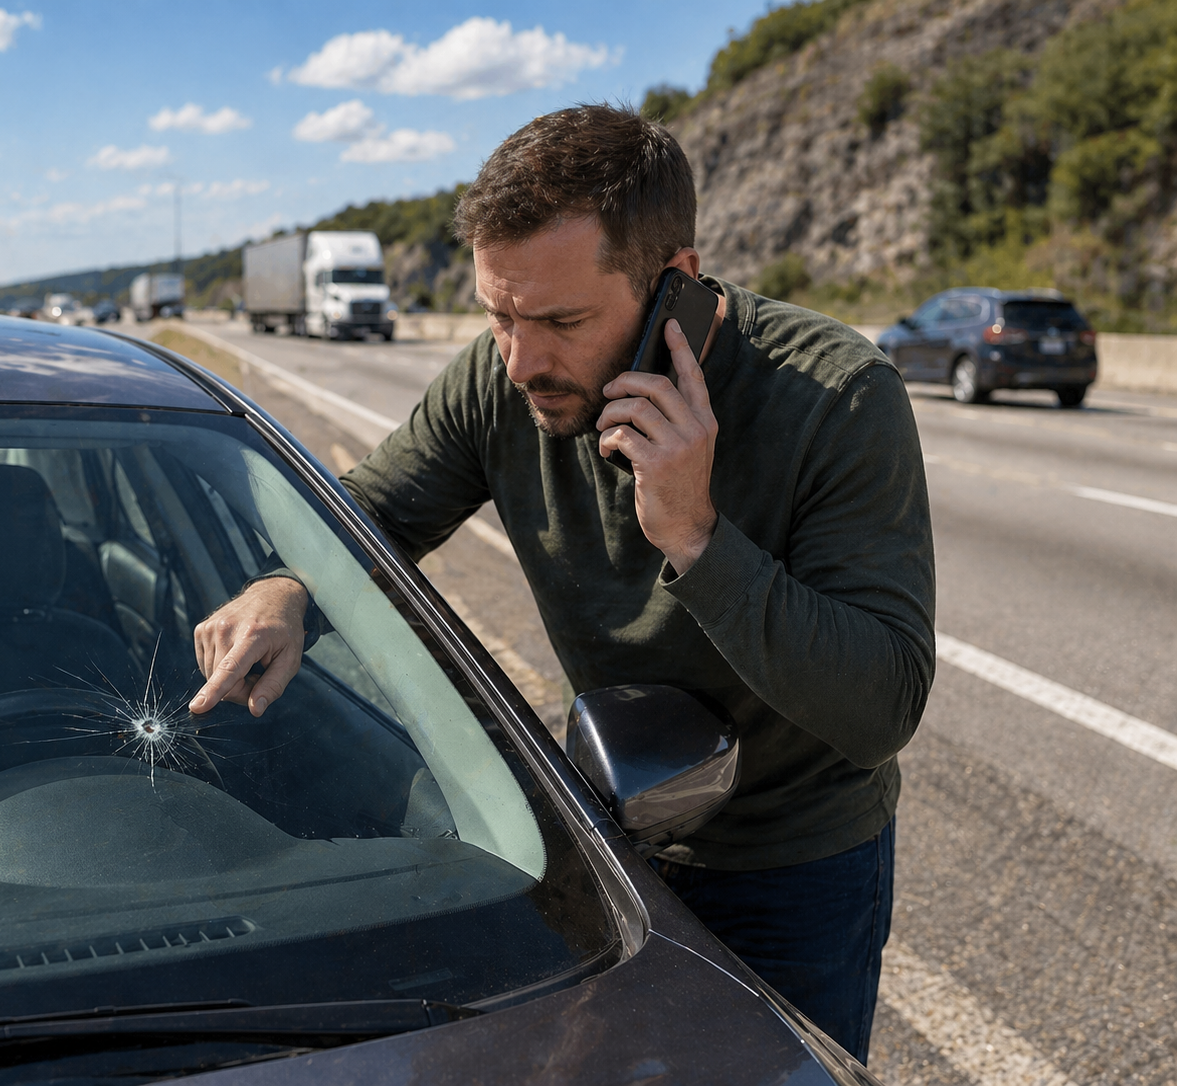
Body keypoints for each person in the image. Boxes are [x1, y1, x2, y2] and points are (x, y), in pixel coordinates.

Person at [189, 104, 935, 1063]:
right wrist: (291, 584)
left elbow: (881, 710)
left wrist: (696, 535)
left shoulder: (838, 396)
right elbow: (373, 516)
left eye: (561, 321)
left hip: (795, 861)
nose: (521, 360)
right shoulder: (502, 378)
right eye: (497, 315)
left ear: (678, 290)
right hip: (602, 843)